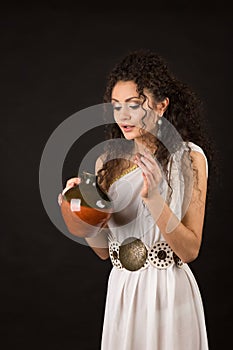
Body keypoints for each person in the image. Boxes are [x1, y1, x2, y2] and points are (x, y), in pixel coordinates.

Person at [59, 49, 217, 349]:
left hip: (168, 293)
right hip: (123, 290)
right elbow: (104, 252)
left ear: (161, 106)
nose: (123, 116)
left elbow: (190, 250)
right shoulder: (106, 162)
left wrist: (154, 198)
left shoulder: (188, 158)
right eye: (117, 106)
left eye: (133, 105)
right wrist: (77, 212)